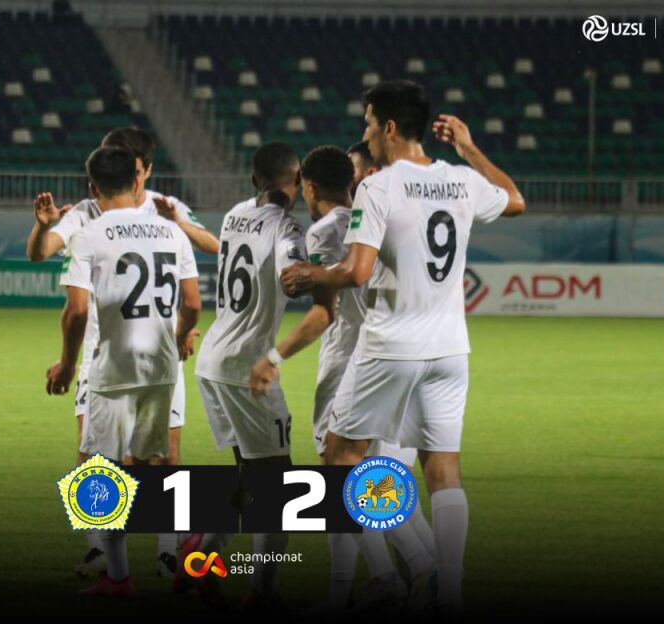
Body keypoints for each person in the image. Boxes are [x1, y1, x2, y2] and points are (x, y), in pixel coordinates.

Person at [281, 81, 526, 616]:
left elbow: (356, 271)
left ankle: (381, 577)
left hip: (391, 345)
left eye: (370, 123)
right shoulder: (460, 180)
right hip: (451, 349)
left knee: (339, 457)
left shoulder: (379, 186)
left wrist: (309, 275)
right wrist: (469, 148)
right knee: (443, 468)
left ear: (389, 127)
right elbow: (514, 200)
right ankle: (448, 590)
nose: (367, 133)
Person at [249, 145, 436, 612]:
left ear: (310, 187)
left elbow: (325, 313)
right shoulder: (377, 222)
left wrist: (274, 354)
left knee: (342, 475)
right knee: (376, 479)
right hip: (397, 358)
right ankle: (407, 572)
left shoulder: (325, 230)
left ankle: (405, 569)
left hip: (349, 362)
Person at [26, 127, 217, 578]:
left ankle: (148, 557)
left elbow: (74, 309)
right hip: (140, 353)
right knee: (113, 458)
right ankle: (104, 551)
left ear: (144, 170)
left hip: (113, 358)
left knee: (133, 459)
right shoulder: (98, 216)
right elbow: (193, 301)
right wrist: (182, 331)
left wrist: (67, 362)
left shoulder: (157, 214)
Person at [193, 142, 319, 611]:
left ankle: (203, 557)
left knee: (249, 473)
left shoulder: (234, 215)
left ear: (253, 181)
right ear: (300, 180)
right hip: (246, 365)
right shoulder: (288, 227)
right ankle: (262, 592)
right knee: (277, 486)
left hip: (212, 359)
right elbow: (292, 277)